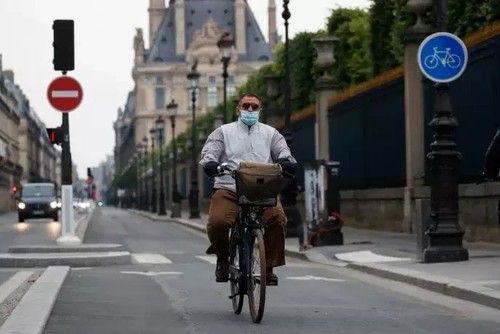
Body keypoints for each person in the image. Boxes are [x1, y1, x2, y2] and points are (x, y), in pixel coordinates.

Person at [199, 93, 297, 286]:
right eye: (246, 106)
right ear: (238, 110)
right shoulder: (223, 132)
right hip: (229, 187)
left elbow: (284, 152)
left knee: (277, 219)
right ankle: (223, 257)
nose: (250, 110)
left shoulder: (271, 134)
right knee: (217, 222)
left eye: (254, 106)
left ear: (260, 110)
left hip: (263, 189)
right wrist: (211, 164)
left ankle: (267, 268)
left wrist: (286, 161)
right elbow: (210, 153)